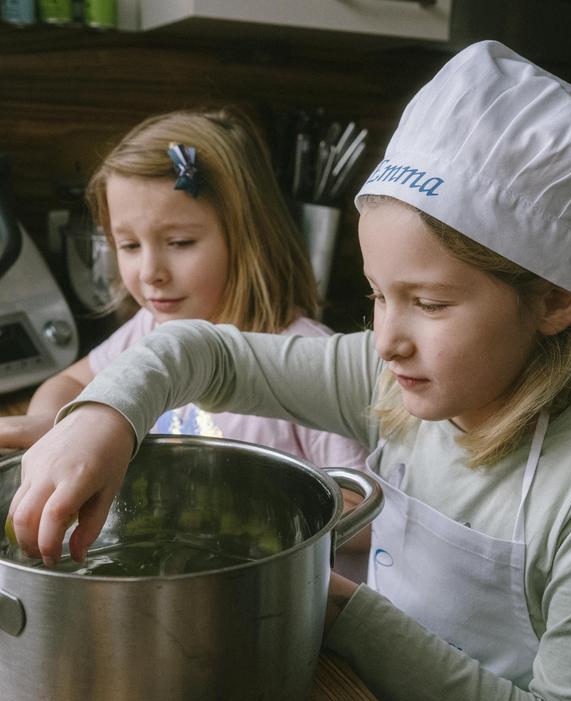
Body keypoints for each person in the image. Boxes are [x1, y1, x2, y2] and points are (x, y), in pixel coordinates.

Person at [7, 41, 571, 701]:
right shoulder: (392, 378)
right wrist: (103, 418)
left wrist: (338, 612)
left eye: (428, 303)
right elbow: (203, 349)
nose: (389, 338)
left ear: (557, 301)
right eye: (377, 296)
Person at [0, 107, 367, 477]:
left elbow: (363, 511)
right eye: (129, 246)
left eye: (179, 242)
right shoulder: (148, 330)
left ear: (248, 239)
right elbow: (69, 382)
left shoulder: (308, 361)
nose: (150, 273)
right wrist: (60, 427)